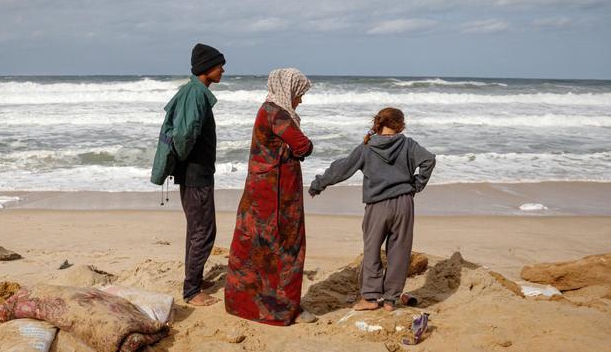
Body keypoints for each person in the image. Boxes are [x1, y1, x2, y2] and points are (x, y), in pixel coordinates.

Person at [308, 107, 436, 311]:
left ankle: (370, 298)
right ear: (400, 125)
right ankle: (390, 300)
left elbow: (342, 169)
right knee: (399, 251)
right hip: (404, 203)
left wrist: (318, 184)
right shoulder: (408, 144)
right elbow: (429, 160)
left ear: (378, 123)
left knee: (372, 251)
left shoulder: (366, 148)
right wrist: (417, 184)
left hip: (378, 206)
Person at [224, 68, 317, 325]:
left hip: (259, 190)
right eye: (299, 93)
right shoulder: (277, 113)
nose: (300, 99)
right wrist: (297, 150)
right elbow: (303, 145)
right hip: (276, 195)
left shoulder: (267, 109)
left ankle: (243, 305)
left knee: (252, 245)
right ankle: (283, 310)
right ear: (288, 90)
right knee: (285, 247)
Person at [150, 43, 225, 306]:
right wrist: (187, 160)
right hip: (197, 173)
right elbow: (184, 135)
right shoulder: (196, 94)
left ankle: (195, 278)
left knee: (196, 229)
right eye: (219, 65)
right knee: (204, 232)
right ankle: (192, 290)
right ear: (206, 69)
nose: (223, 70)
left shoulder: (194, 91)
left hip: (195, 171)